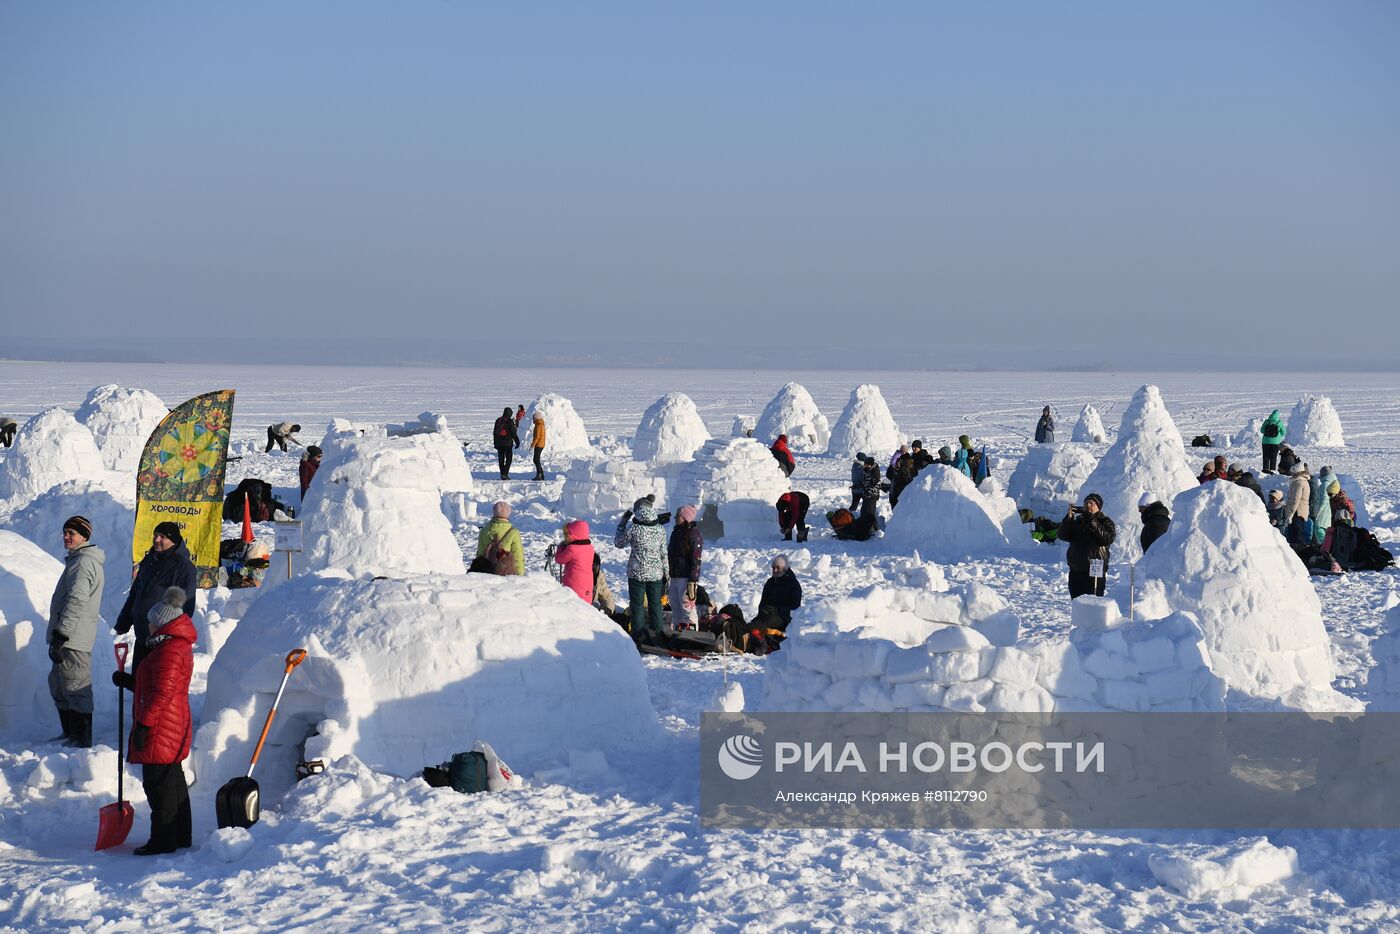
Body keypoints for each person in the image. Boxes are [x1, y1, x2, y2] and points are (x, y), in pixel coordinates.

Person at [111, 587, 194, 856]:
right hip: (169, 722)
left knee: (159, 785)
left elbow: (161, 693)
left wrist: (145, 726)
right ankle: (179, 835)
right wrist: (131, 682)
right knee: (172, 781)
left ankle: (163, 840)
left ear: (162, 623)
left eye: (151, 621)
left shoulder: (169, 650)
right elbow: (158, 685)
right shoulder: (171, 646)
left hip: (161, 726)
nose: (148, 625)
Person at [47, 516, 105, 748]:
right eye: (65, 532)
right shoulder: (77, 560)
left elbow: (77, 600)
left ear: (84, 536)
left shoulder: (83, 562)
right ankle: (70, 733)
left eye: (72, 533)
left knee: (75, 685)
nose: (67, 537)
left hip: (73, 636)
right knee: (59, 684)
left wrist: (62, 634)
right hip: (69, 634)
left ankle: (82, 740)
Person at [115, 523, 197, 671]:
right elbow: (136, 593)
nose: (156, 539)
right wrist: (124, 620)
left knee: (156, 685)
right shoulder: (149, 560)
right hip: (143, 636)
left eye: (162, 537)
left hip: (163, 641)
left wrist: (170, 637)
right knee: (139, 684)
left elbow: (186, 607)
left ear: (173, 540)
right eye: (155, 535)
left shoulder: (184, 568)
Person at [615, 496, 668, 645]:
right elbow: (664, 553)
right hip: (656, 573)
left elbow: (618, 543)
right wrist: (667, 574)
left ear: (637, 510)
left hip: (636, 572)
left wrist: (622, 523)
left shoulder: (634, 528)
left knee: (637, 605)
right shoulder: (660, 528)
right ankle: (657, 635)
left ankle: (638, 637)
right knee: (655, 604)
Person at [1058, 493, 1116, 598]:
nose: (1087, 505)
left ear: (1098, 507)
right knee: (1077, 604)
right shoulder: (1078, 521)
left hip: (1094, 572)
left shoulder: (1105, 521)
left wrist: (1092, 521)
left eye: (1091, 503)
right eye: (1085, 503)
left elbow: (1108, 538)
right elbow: (1063, 536)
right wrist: (1068, 519)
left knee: (1093, 606)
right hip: (1076, 570)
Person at [667, 505, 704, 631]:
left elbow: (696, 558)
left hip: (686, 578)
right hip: (674, 576)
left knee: (687, 608)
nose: (675, 518)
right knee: (676, 608)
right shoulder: (675, 532)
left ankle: (692, 633)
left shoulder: (694, 534)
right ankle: (678, 632)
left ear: (685, 517)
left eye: (678, 516)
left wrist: (693, 580)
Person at [476, 501, 524, 575]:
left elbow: (480, 554)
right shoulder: (513, 533)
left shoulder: (484, 531)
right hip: (506, 574)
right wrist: (520, 576)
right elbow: (518, 557)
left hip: (486, 574)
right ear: (508, 514)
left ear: (494, 513)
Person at [553, 520, 595, 603]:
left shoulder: (572, 549)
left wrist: (561, 547)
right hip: (587, 583)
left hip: (574, 584)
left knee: (574, 605)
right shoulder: (590, 548)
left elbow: (559, 559)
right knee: (585, 606)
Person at [759, 555, 802, 630]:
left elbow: (796, 607)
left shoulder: (793, 584)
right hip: (767, 616)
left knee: (762, 624)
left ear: (785, 569)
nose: (775, 570)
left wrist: (777, 610)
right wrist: (763, 611)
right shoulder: (770, 582)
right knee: (754, 624)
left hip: (784, 618)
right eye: (773, 568)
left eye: (778, 568)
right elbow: (763, 601)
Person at [1281, 462, 1312, 545]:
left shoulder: (1299, 483)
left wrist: (1290, 514)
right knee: (1296, 535)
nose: (1291, 474)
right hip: (1298, 512)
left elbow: (1296, 500)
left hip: (1297, 513)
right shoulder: (1299, 482)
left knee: (1296, 537)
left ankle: (1298, 553)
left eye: (1292, 473)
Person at [1310, 466, 1337, 547]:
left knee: (1319, 532)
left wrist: (1318, 513)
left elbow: (1323, 500)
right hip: (1327, 514)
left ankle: (1323, 550)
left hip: (1322, 515)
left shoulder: (1324, 484)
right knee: (1325, 534)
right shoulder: (1332, 483)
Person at [492, 407, 519, 479]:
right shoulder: (509, 421)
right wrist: (517, 442)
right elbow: (513, 433)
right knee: (509, 459)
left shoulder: (498, 420)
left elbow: (494, 432)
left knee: (501, 459)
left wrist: (495, 443)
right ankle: (505, 473)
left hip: (499, 443)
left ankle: (502, 474)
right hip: (507, 443)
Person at [528, 413, 547, 481]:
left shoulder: (538, 425)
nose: (533, 419)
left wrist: (532, 445)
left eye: (533, 418)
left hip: (539, 444)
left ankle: (539, 475)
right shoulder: (540, 424)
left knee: (536, 459)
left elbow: (537, 437)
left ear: (536, 418)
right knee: (536, 459)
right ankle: (541, 474)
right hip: (541, 444)